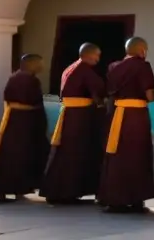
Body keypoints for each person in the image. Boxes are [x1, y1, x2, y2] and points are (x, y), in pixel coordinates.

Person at [97, 36, 154, 213]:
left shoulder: (113, 67)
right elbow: (149, 94)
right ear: (142, 51)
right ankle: (135, 199)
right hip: (136, 117)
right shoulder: (142, 65)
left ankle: (114, 198)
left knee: (116, 156)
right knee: (137, 155)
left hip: (117, 115)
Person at [40, 43, 106, 204]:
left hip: (69, 113)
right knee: (74, 152)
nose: (97, 59)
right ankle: (66, 191)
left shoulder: (69, 68)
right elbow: (99, 90)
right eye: (96, 55)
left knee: (65, 150)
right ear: (88, 54)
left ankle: (58, 189)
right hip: (79, 116)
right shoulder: (84, 69)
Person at [0, 54, 50, 202]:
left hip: (13, 119)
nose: (42, 67)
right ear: (31, 64)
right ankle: (19, 188)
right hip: (26, 122)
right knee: (23, 155)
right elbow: (34, 101)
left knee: (8, 154)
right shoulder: (31, 80)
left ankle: (4, 189)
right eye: (40, 63)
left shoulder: (13, 77)